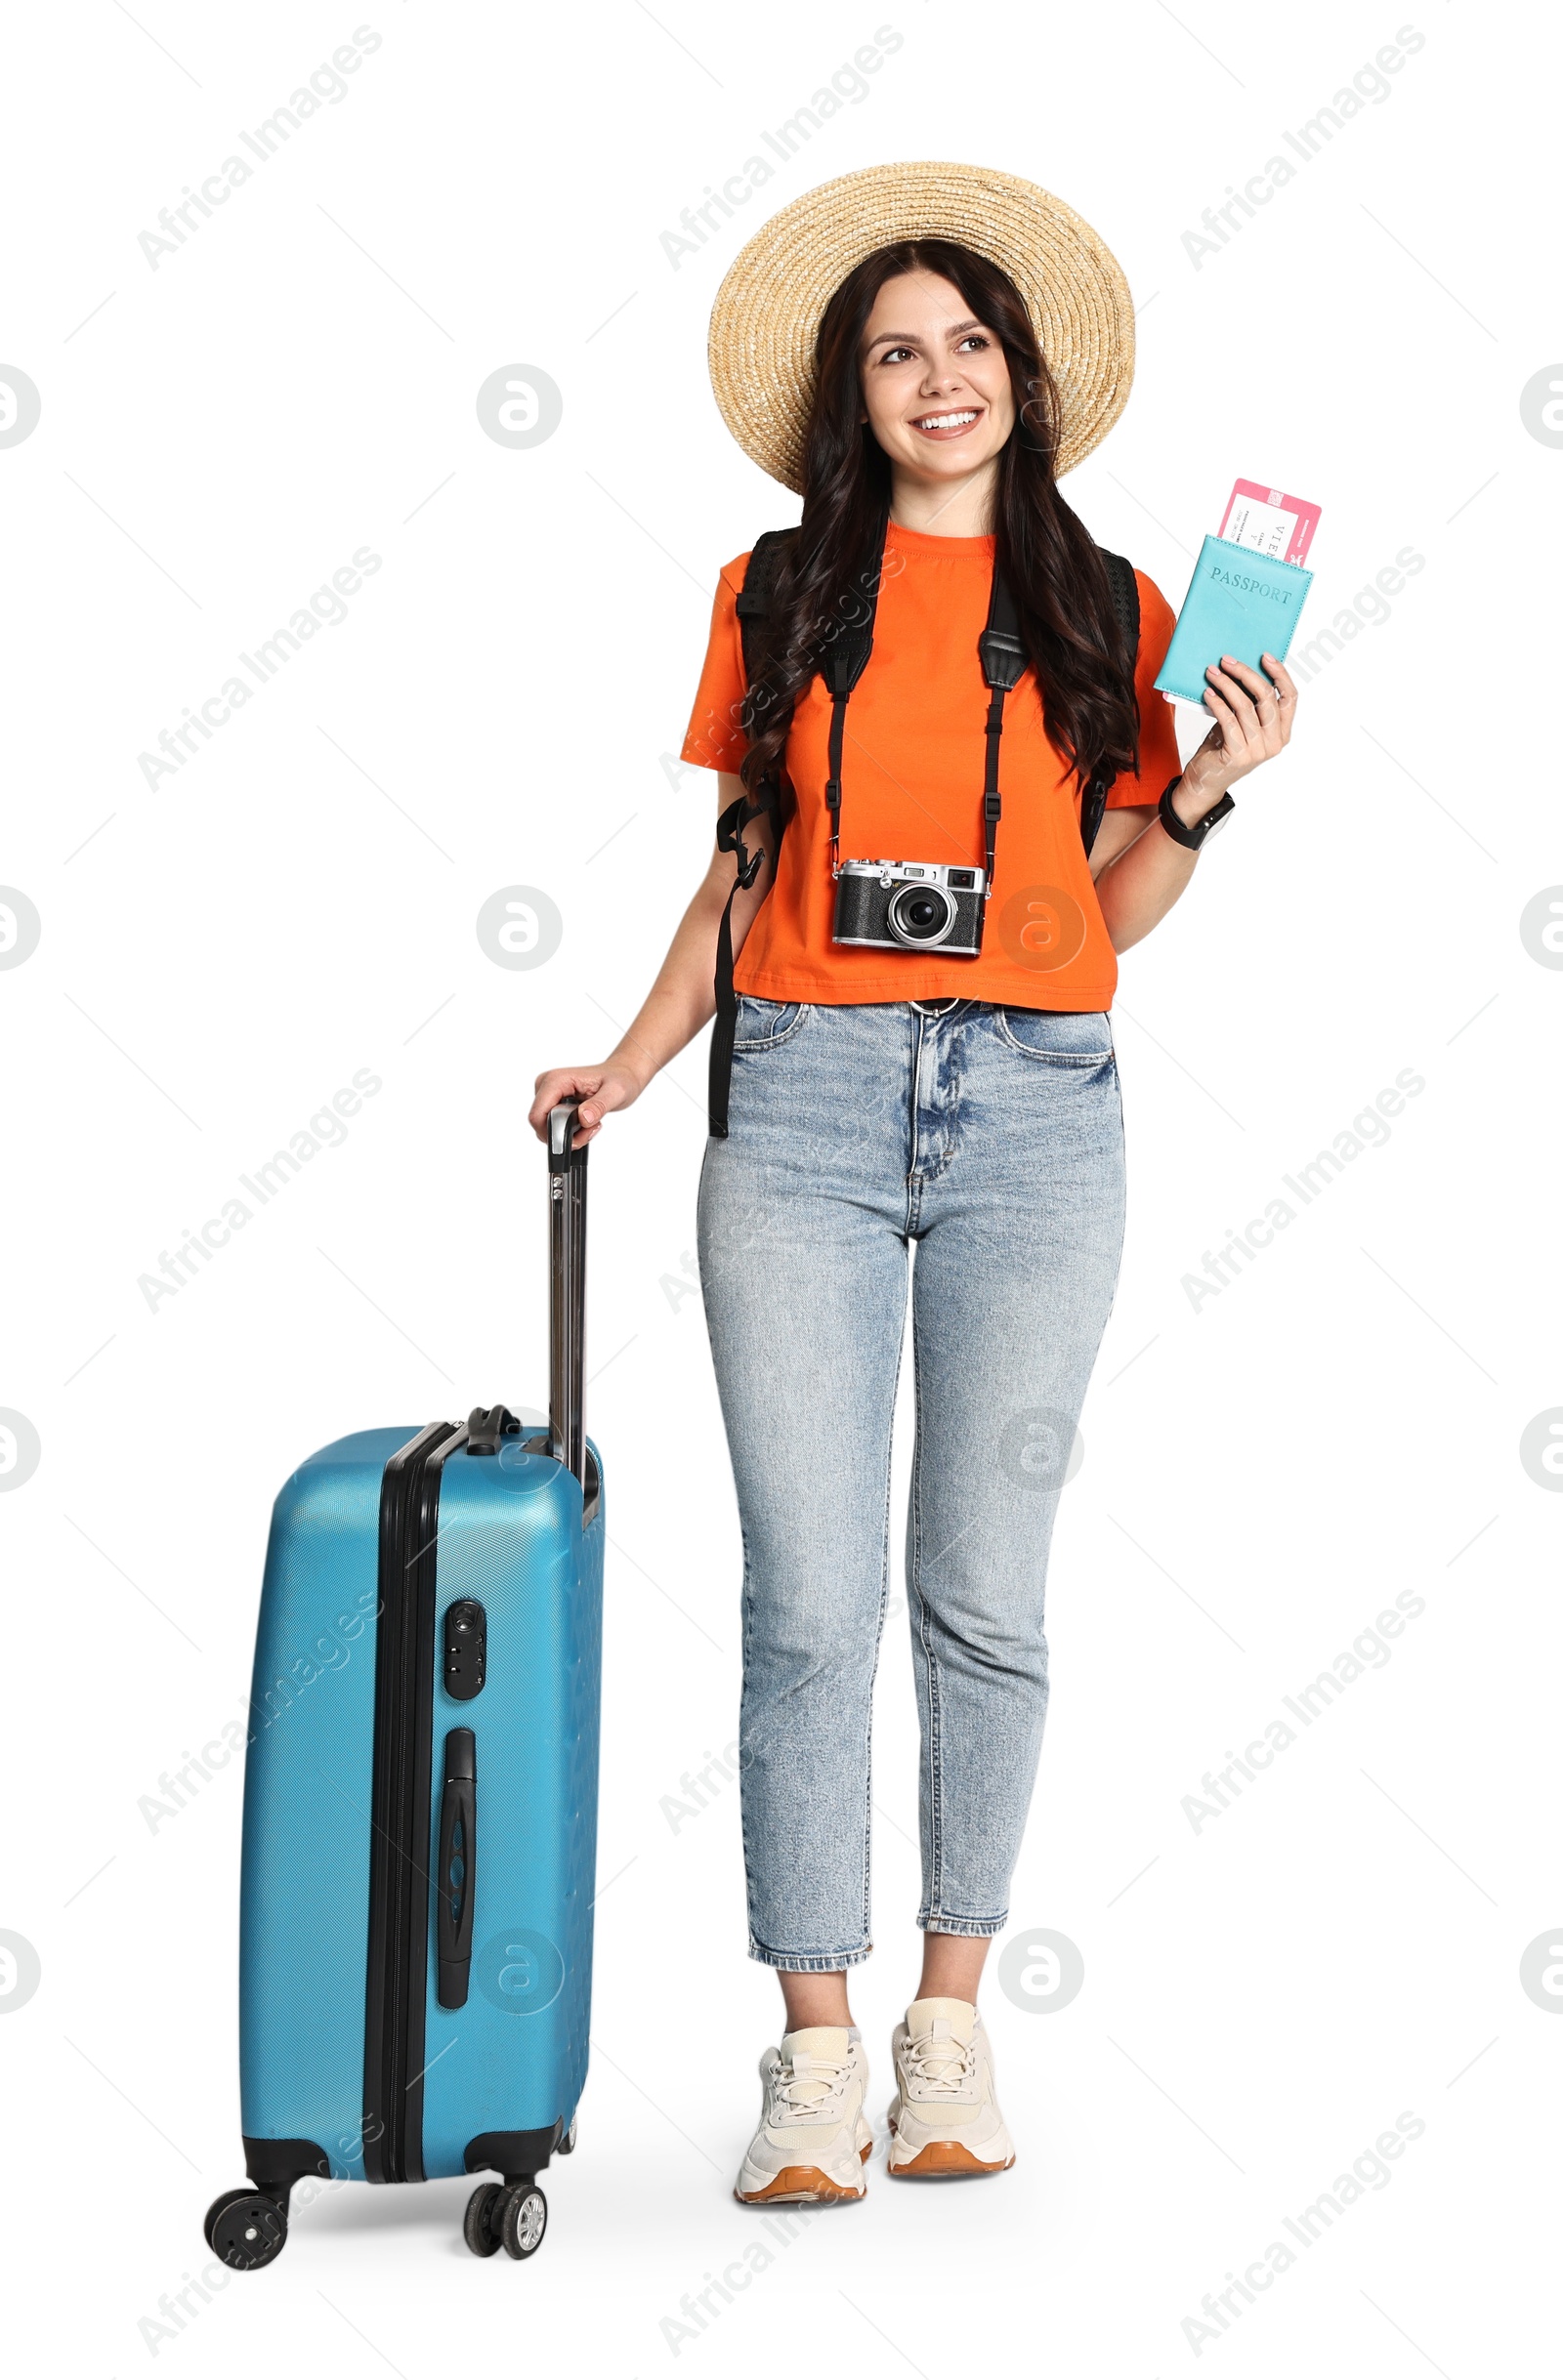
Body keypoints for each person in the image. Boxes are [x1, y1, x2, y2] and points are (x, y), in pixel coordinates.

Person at [529, 162, 1296, 2203]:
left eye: (965, 345)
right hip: (792, 1101)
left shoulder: (1107, 604)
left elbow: (1103, 917)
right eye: (894, 353)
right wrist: (626, 1059)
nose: (934, 377)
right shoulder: (774, 594)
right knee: (805, 1597)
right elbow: (734, 872)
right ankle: (812, 2043)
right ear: (846, 398)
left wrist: (1202, 799)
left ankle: (947, 2029)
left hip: (1037, 1106)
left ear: (1021, 382)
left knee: (981, 1585)